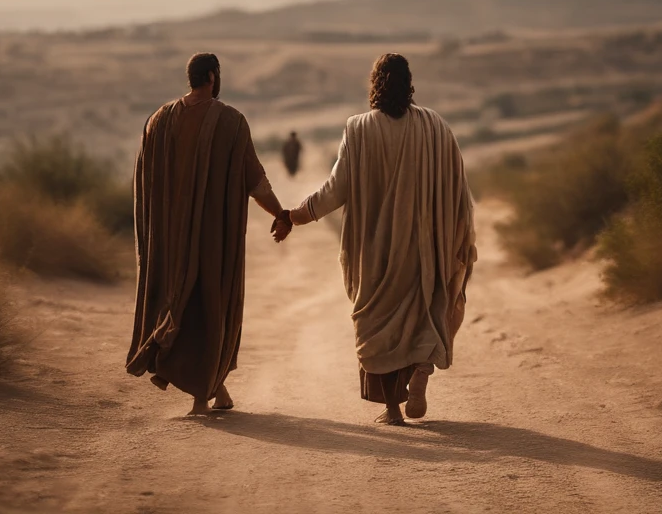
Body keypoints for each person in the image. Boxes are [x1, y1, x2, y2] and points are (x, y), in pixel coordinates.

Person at [278, 53, 477, 426]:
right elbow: (459, 189)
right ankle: (421, 370)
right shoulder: (436, 127)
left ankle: (392, 411)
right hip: (426, 251)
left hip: (376, 255)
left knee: (376, 327)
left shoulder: (359, 129)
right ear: (409, 84)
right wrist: (455, 238)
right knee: (424, 315)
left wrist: (296, 216)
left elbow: (335, 190)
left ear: (374, 85)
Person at [126, 53, 291, 415]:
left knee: (178, 301)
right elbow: (256, 181)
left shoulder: (157, 121)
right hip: (211, 242)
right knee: (208, 308)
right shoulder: (231, 122)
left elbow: (143, 185)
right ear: (213, 77)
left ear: (191, 78)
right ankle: (201, 399)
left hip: (167, 243)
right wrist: (280, 214)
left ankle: (218, 391)